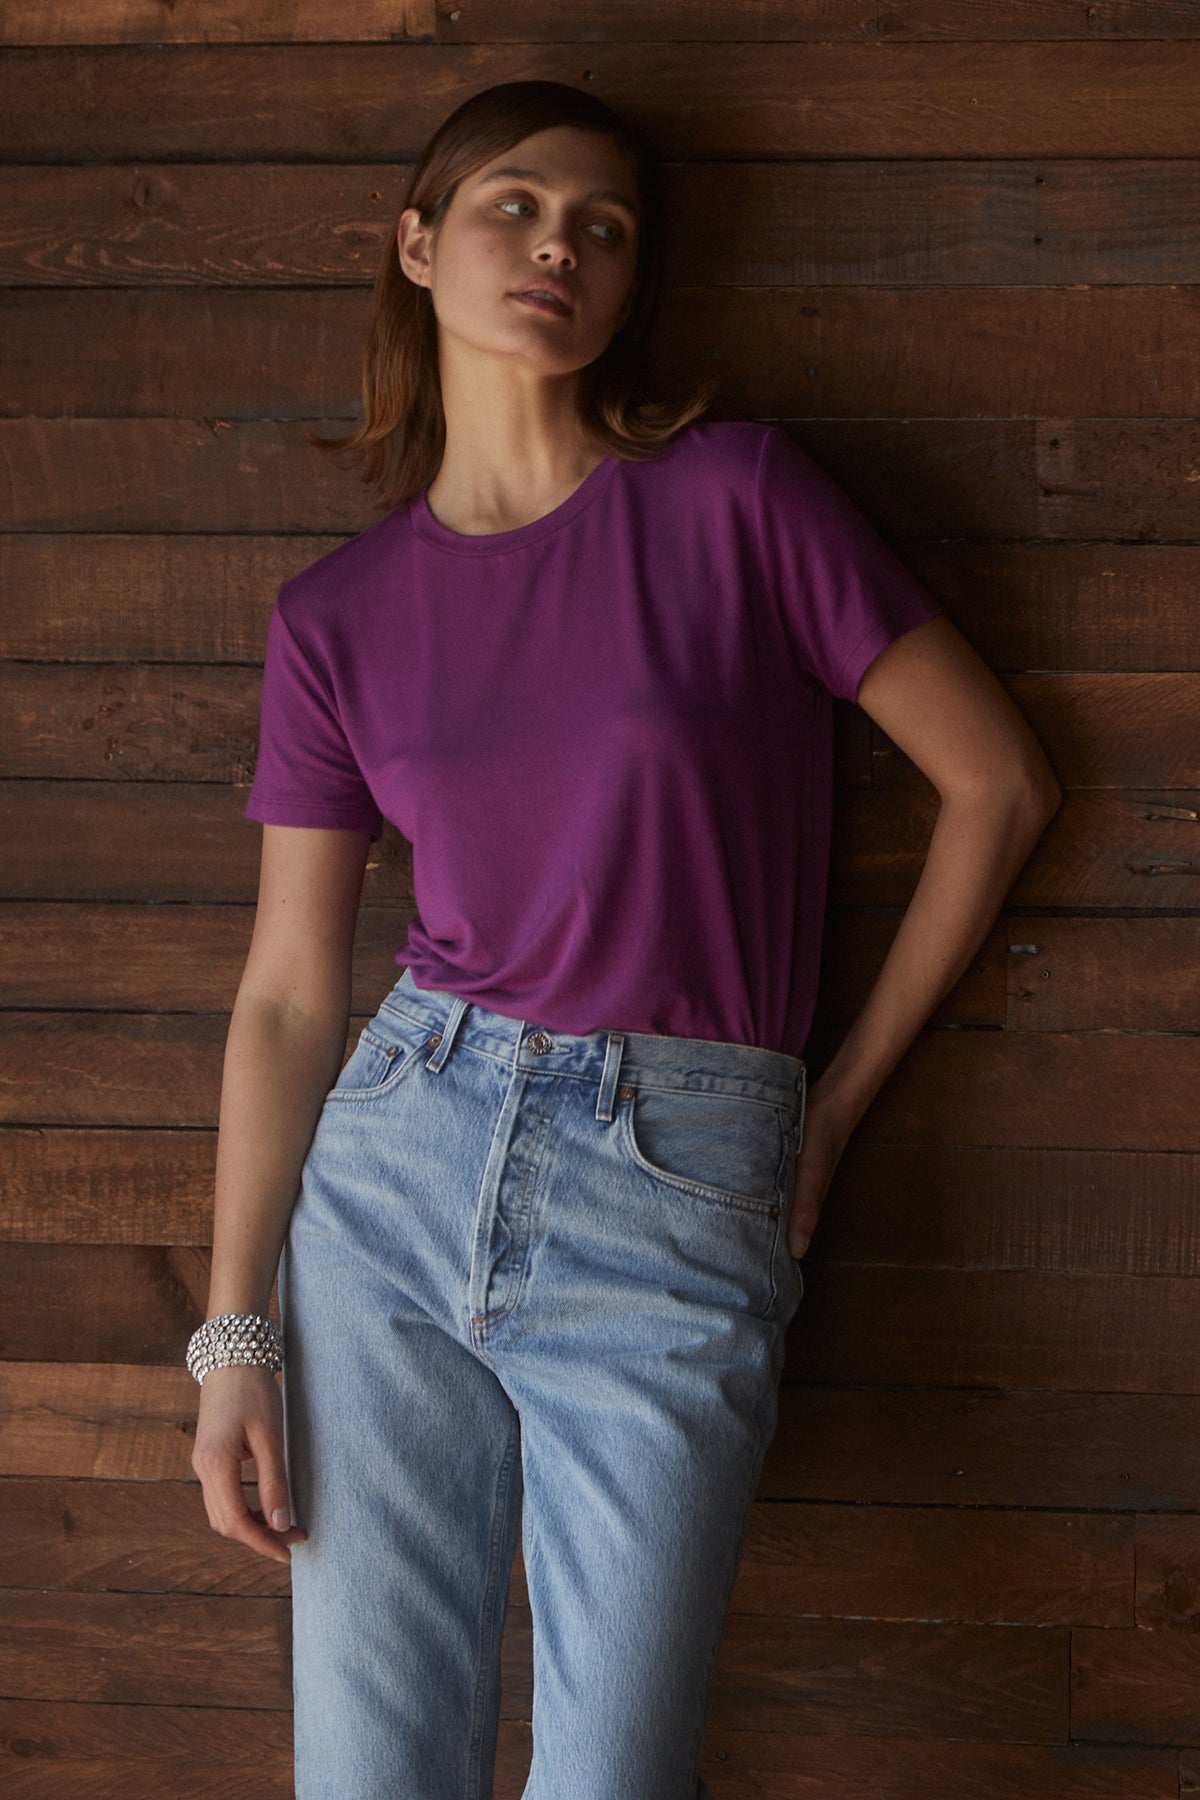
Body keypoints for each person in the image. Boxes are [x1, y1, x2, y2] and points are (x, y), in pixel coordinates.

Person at [188, 79, 1061, 1800]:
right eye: (516, 207)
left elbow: (1001, 786)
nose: (559, 248)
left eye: (604, 228)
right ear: (421, 247)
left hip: (675, 1170)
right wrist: (235, 1337)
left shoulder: (734, 500)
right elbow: (291, 995)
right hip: (391, 1173)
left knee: (616, 1781)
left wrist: (830, 1103)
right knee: (370, 1779)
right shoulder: (337, 619)